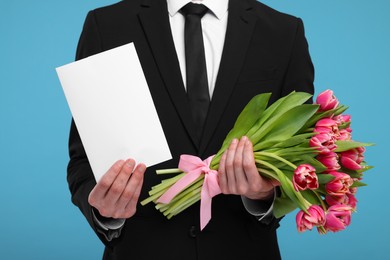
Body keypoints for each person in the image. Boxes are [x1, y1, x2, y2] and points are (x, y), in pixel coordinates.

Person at [67, 0, 314, 259]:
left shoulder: (284, 32)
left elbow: (298, 160)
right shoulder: (106, 25)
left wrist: (262, 194)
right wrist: (104, 213)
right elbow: (82, 160)